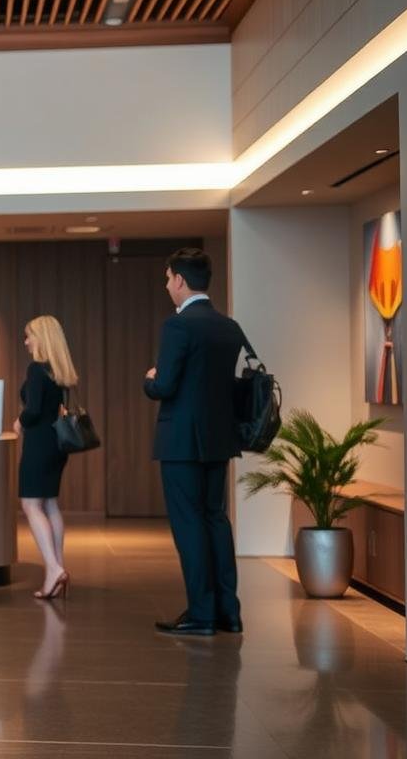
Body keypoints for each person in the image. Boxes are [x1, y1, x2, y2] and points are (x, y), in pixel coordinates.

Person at [145, 247, 245, 637]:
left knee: (189, 527)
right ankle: (228, 612)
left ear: (180, 281)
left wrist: (149, 378)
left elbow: (165, 385)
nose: (168, 285)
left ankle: (201, 614)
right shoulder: (228, 326)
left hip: (182, 442)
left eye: (168, 278)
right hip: (219, 439)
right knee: (216, 521)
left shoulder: (178, 326)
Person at [14, 316, 79, 600]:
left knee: (30, 504)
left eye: (29, 336)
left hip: (39, 444)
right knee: (50, 504)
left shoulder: (37, 370)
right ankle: (58, 568)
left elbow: (33, 410)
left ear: (41, 337)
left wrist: (18, 422)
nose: (26, 342)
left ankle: (53, 569)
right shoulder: (59, 370)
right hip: (57, 446)